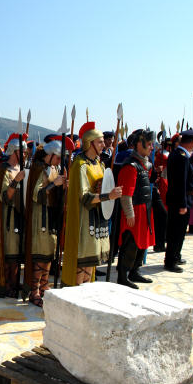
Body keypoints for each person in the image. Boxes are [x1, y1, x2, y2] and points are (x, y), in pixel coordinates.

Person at [61, 122, 122, 286]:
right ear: (90, 143)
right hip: (84, 219)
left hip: (98, 216)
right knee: (82, 261)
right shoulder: (80, 165)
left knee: (91, 262)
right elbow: (84, 196)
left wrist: (106, 190)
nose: (104, 144)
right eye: (100, 141)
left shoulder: (100, 164)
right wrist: (108, 195)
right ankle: (77, 294)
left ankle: (86, 293)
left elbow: (100, 187)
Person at [24, 141, 67, 306]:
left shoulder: (55, 168)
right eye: (57, 157)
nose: (59, 160)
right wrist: (54, 184)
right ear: (50, 155)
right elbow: (36, 195)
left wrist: (63, 186)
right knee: (40, 254)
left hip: (52, 215)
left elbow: (56, 193)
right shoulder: (38, 169)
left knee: (49, 254)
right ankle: (34, 291)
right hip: (40, 216)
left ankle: (44, 286)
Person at [116, 130, 155, 289]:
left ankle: (135, 271)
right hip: (134, 211)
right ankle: (123, 275)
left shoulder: (145, 165)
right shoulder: (130, 166)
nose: (152, 147)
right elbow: (126, 193)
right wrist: (129, 213)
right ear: (140, 144)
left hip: (145, 209)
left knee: (142, 243)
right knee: (131, 243)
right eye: (149, 144)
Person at [0, 134, 28, 298]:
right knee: (9, 252)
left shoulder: (22, 168)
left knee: (18, 252)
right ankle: (6, 284)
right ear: (14, 151)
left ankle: (15, 281)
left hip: (21, 215)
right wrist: (16, 180)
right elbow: (5, 197)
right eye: (23, 152)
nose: (25, 154)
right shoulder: (4, 170)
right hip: (9, 217)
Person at [164, 129, 193, 273]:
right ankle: (171, 261)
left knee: (179, 230)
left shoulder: (179, 155)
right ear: (192, 143)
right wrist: (183, 204)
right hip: (180, 200)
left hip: (180, 199)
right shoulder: (181, 157)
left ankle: (176, 255)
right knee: (176, 232)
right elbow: (180, 183)